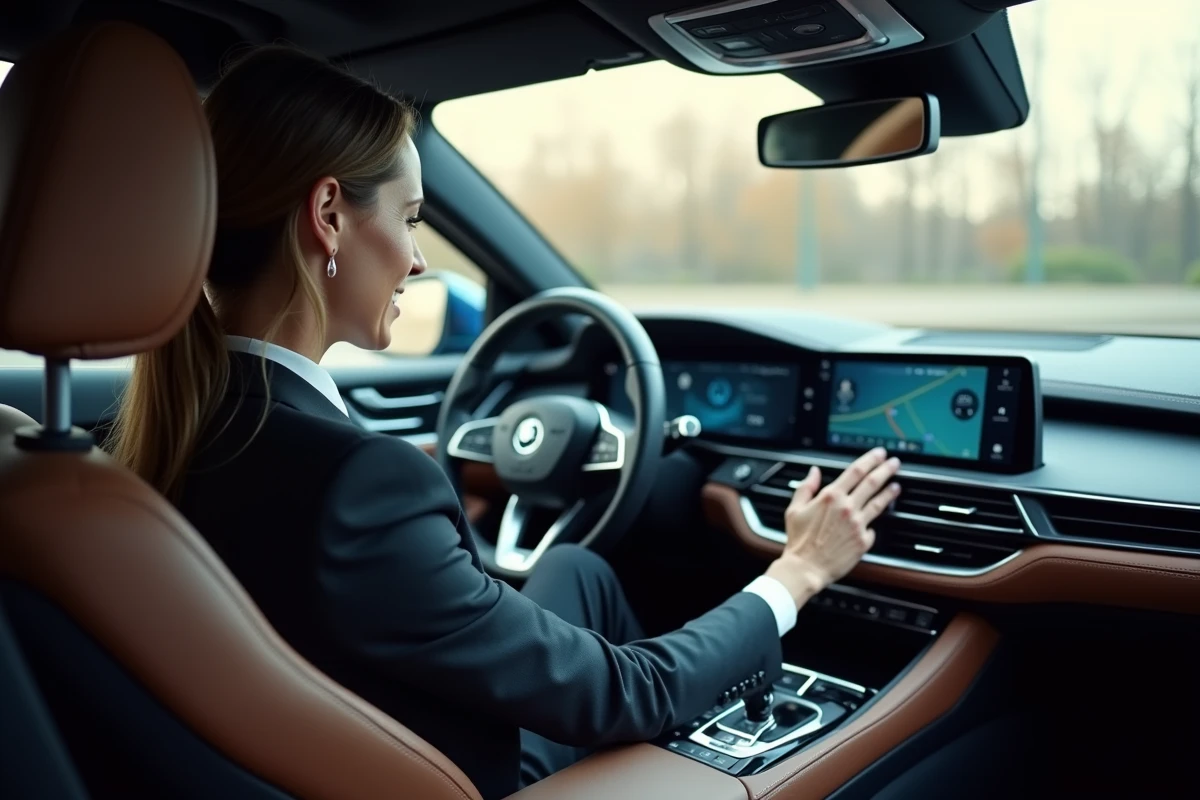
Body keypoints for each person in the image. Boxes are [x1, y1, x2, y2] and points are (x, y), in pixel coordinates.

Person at [106, 46, 902, 800]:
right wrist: (798, 572)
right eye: (412, 219)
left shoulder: (165, 435)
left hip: (341, 748)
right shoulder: (359, 487)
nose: (419, 261)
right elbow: (628, 692)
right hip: (468, 775)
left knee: (578, 574)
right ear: (328, 215)